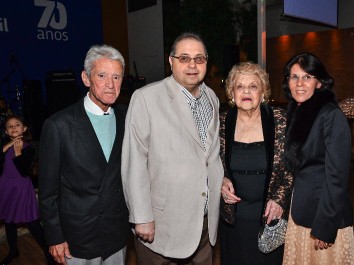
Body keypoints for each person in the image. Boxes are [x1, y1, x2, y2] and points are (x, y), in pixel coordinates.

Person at [121, 32, 224, 265]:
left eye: (199, 59)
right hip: (162, 226)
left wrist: (221, 180)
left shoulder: (212, 98)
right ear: (170, 61)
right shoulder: (146, 98)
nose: (192, 65)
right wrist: (142, 217)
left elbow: (209, 156)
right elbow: (134, 162)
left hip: (205, 224)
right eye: (184, 58)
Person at [38, 44, 130, 265]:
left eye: (117, 77)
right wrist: (55, 237)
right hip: (77, 238)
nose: (110, 85)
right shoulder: (59, 125)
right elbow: (48, 192)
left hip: (117, 234)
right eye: (102, 75)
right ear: (86, 78)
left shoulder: (126, 117)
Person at [282, 52, 354, 264]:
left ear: (320, 83)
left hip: (323, 217)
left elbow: (337, 178)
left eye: (307, 77)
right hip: (301, 211)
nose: (299, 83)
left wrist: (325, 227)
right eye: (294, 77)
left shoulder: (332, 116)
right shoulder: (297, 111)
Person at [219, 62, 293, 265]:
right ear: (232, 93)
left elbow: (291, 167)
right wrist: (220, 180)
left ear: (263, 92)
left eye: (253, 86)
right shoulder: (221, 123)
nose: (246, 91)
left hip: (269, 214)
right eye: (240, 86)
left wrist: (279, 199)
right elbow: (210, 162)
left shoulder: (280, 120)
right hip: (233, 217)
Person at [0, 115, 55, 265]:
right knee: (9, 222)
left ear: (23, 128)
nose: (13, 128)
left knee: (33, 223)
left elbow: (24, 171)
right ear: (6, 131)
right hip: (6, 187)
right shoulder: (3, 146)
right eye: (9, 126)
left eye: (17, 124)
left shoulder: (29, 147)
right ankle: (13, 251)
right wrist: (7, 147)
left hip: (21, 188)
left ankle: (48, 252)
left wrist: (17, 152)